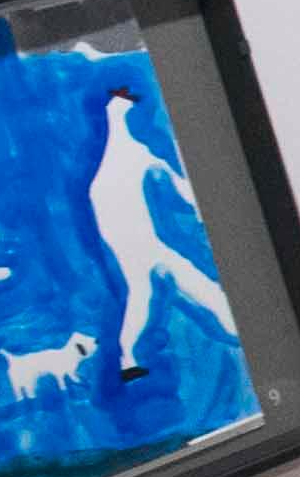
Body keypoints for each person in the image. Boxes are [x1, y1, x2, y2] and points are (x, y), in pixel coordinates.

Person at [90, 92, 232, 375]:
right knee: (188, 284)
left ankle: (128, 357)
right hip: (147, 247)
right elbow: (178, 190)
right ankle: (233, 325)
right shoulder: (141, 159)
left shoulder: (102, 174)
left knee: (142, 295)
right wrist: (193, 204)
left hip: (133, 249)